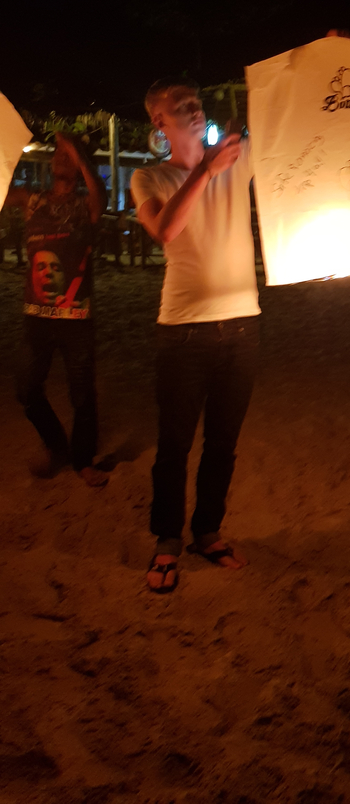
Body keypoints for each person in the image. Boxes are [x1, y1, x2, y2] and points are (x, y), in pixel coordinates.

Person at [130, 77, 260, 594]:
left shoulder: (234, 158)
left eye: (195, 101)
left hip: (243, 324)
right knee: (174, 445)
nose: (192, 107)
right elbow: (165, 230)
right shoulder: (150, 177)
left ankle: (207, 532)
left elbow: (296, 134)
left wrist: (326, 67)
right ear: (158, 122)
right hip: (182, 331)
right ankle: (167, 540)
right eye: (178, 105)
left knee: (223, 444)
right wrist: (206, 169)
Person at [7, 132, 109, 486]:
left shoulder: (86, 205)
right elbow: (4, 189)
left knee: (82, 394)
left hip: (77, 317)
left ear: (81, 166)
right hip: (36, 318)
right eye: (57, 154)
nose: (61, 159)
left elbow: (100, 196)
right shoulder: (32, 202)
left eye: (69, 156)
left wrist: (79, 153)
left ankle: (82, 460)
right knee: (26, 390)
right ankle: (56, 446)